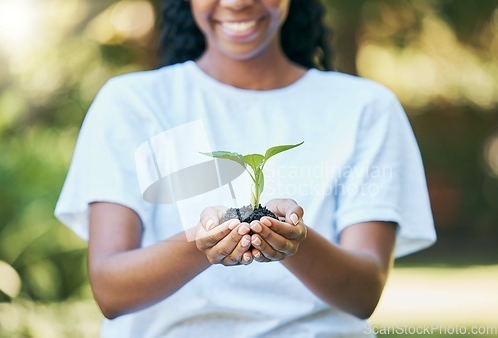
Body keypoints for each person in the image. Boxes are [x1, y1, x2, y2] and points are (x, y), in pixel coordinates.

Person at [55, 0, 437, 337]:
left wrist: (294, 241)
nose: (237, 2)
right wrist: (204, 243)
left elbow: (363, 292)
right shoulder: (131, 103)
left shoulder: (366, 108)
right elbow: (110, 290)